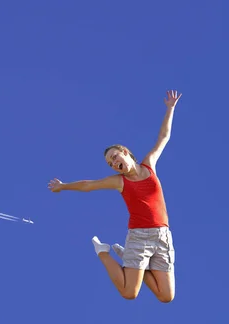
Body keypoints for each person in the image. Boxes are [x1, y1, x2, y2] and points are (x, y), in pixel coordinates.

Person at [47, 90, 182, 303]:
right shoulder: (120, 181)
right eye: (110, 163)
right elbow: (89, 185)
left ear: (125, 152)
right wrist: (63, 186)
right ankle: (103, 252)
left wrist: (170, 109)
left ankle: (127, 258)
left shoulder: (149, 165)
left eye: (114, 157)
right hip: (139, 237)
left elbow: (163, 137)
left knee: (166, 296)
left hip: (163, 237)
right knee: (130, 292)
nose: (113, 163)